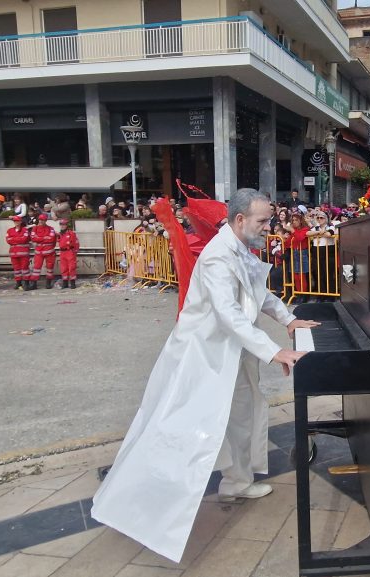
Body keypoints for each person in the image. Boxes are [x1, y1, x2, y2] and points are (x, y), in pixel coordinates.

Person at [90, 188, 319, 562]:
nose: (269, 226)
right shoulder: (216, 257)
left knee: (245, 416)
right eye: (263, 221)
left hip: (236, 351)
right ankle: (140, 501)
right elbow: (227, 314)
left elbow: (258, 295)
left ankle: (238, 482)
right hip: (204, 357)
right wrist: (273, 349)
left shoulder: (240, 250)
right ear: (240, 220)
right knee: (180, 428)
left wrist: (290, 320)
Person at [30, 213, 58, 289]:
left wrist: (39, 238)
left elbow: (52, 238)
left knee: (50, 268)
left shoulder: (51, 228)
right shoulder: (34, 228)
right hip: (39, 252)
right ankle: (33, 283)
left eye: (43, 220)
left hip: (50, 252)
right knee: (36, 268)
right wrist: (45, 238)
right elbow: (33, 238)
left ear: (46, 220)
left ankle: (48, 283)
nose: (41, 221)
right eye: (40, 220)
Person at [5, 215, 32, 290]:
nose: (16, 222)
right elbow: (8, 240)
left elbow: (24, 239)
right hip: (14, 253)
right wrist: (18, 239)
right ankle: (18, 283)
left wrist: (14, 239)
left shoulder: (25, 230)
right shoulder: (9, 230)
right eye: (15, 221)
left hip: (23, 253)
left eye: (17, 221)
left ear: (20, 221)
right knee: (16, 269)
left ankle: (26, 283)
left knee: (25, 268)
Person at [57, 219, 79, 289]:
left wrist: (75, 252)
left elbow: (76, 243)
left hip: (70, 251)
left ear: (66, 225)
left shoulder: (71, 233)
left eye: (64, 225)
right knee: (63, 268)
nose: (62, 226)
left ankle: (72, 283)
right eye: (61, 225)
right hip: (62, 252)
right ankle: (65, 282)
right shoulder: (59, 234)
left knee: (71, 267)